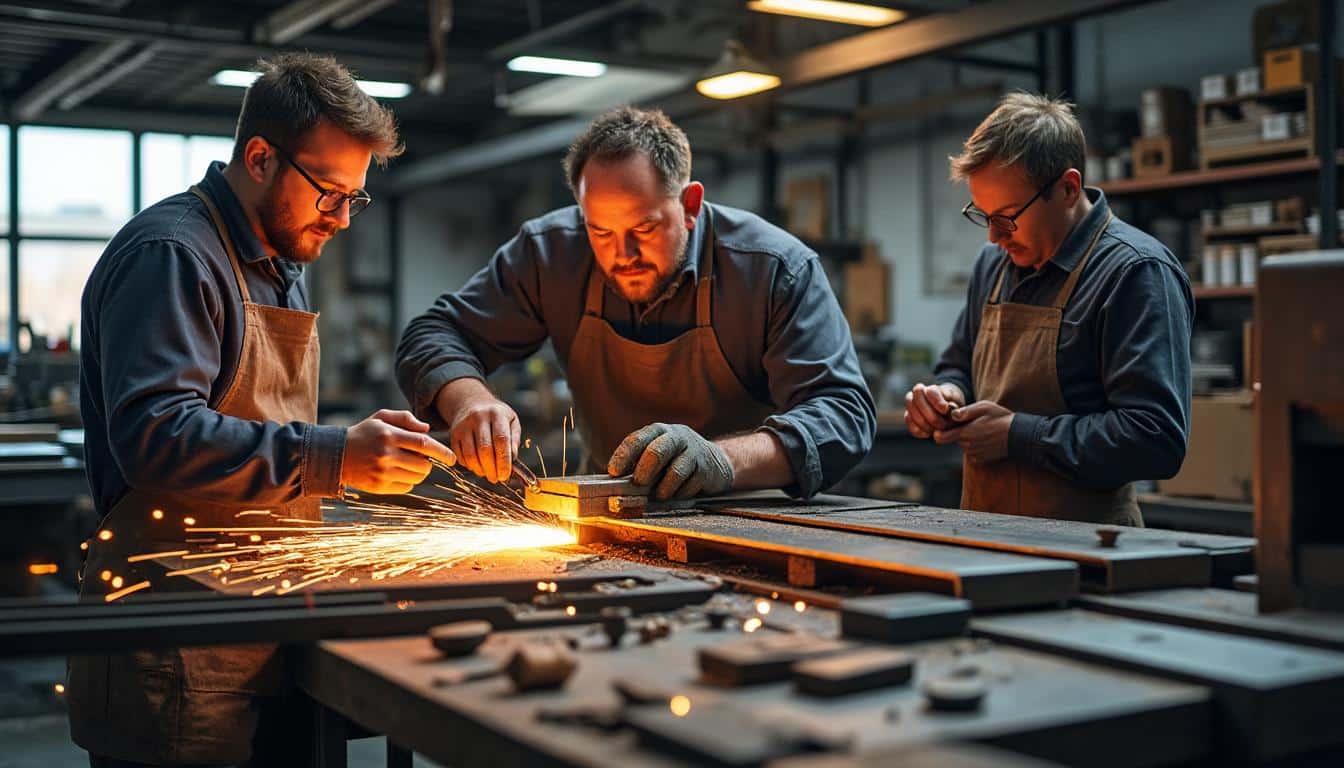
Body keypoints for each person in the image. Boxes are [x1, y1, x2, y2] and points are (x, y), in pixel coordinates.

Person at [69, 53, 453, 766]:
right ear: (259, 157)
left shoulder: (276, 263)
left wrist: (353, 453)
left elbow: (263, 428)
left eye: (355, 199)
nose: (341, 218)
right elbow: (154, 435)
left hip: (254, 609)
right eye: (330, 192)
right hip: (176, 630)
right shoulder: (174, 255)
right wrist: (336, 456)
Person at [397, 106, 875, 501]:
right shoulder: (550, 254)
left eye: (643, 230)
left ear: (689, 205)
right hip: (610, 513)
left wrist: (722, 460)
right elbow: (434, 332)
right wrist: (469, 400)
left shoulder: (773, 268)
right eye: (600, 231)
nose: (621, 255)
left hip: (751, 513)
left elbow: (844, 413)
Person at [904, 92, 1193, 526]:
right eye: (983, 216)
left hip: (1088, 551)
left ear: (1068, 188)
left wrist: (1019, 436)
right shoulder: (994, 264)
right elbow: (959, 364)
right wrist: (947, 395)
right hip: (983, 537)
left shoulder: (1135, 273)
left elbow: (1154, 438)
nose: (993, 238)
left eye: (1006, 217)